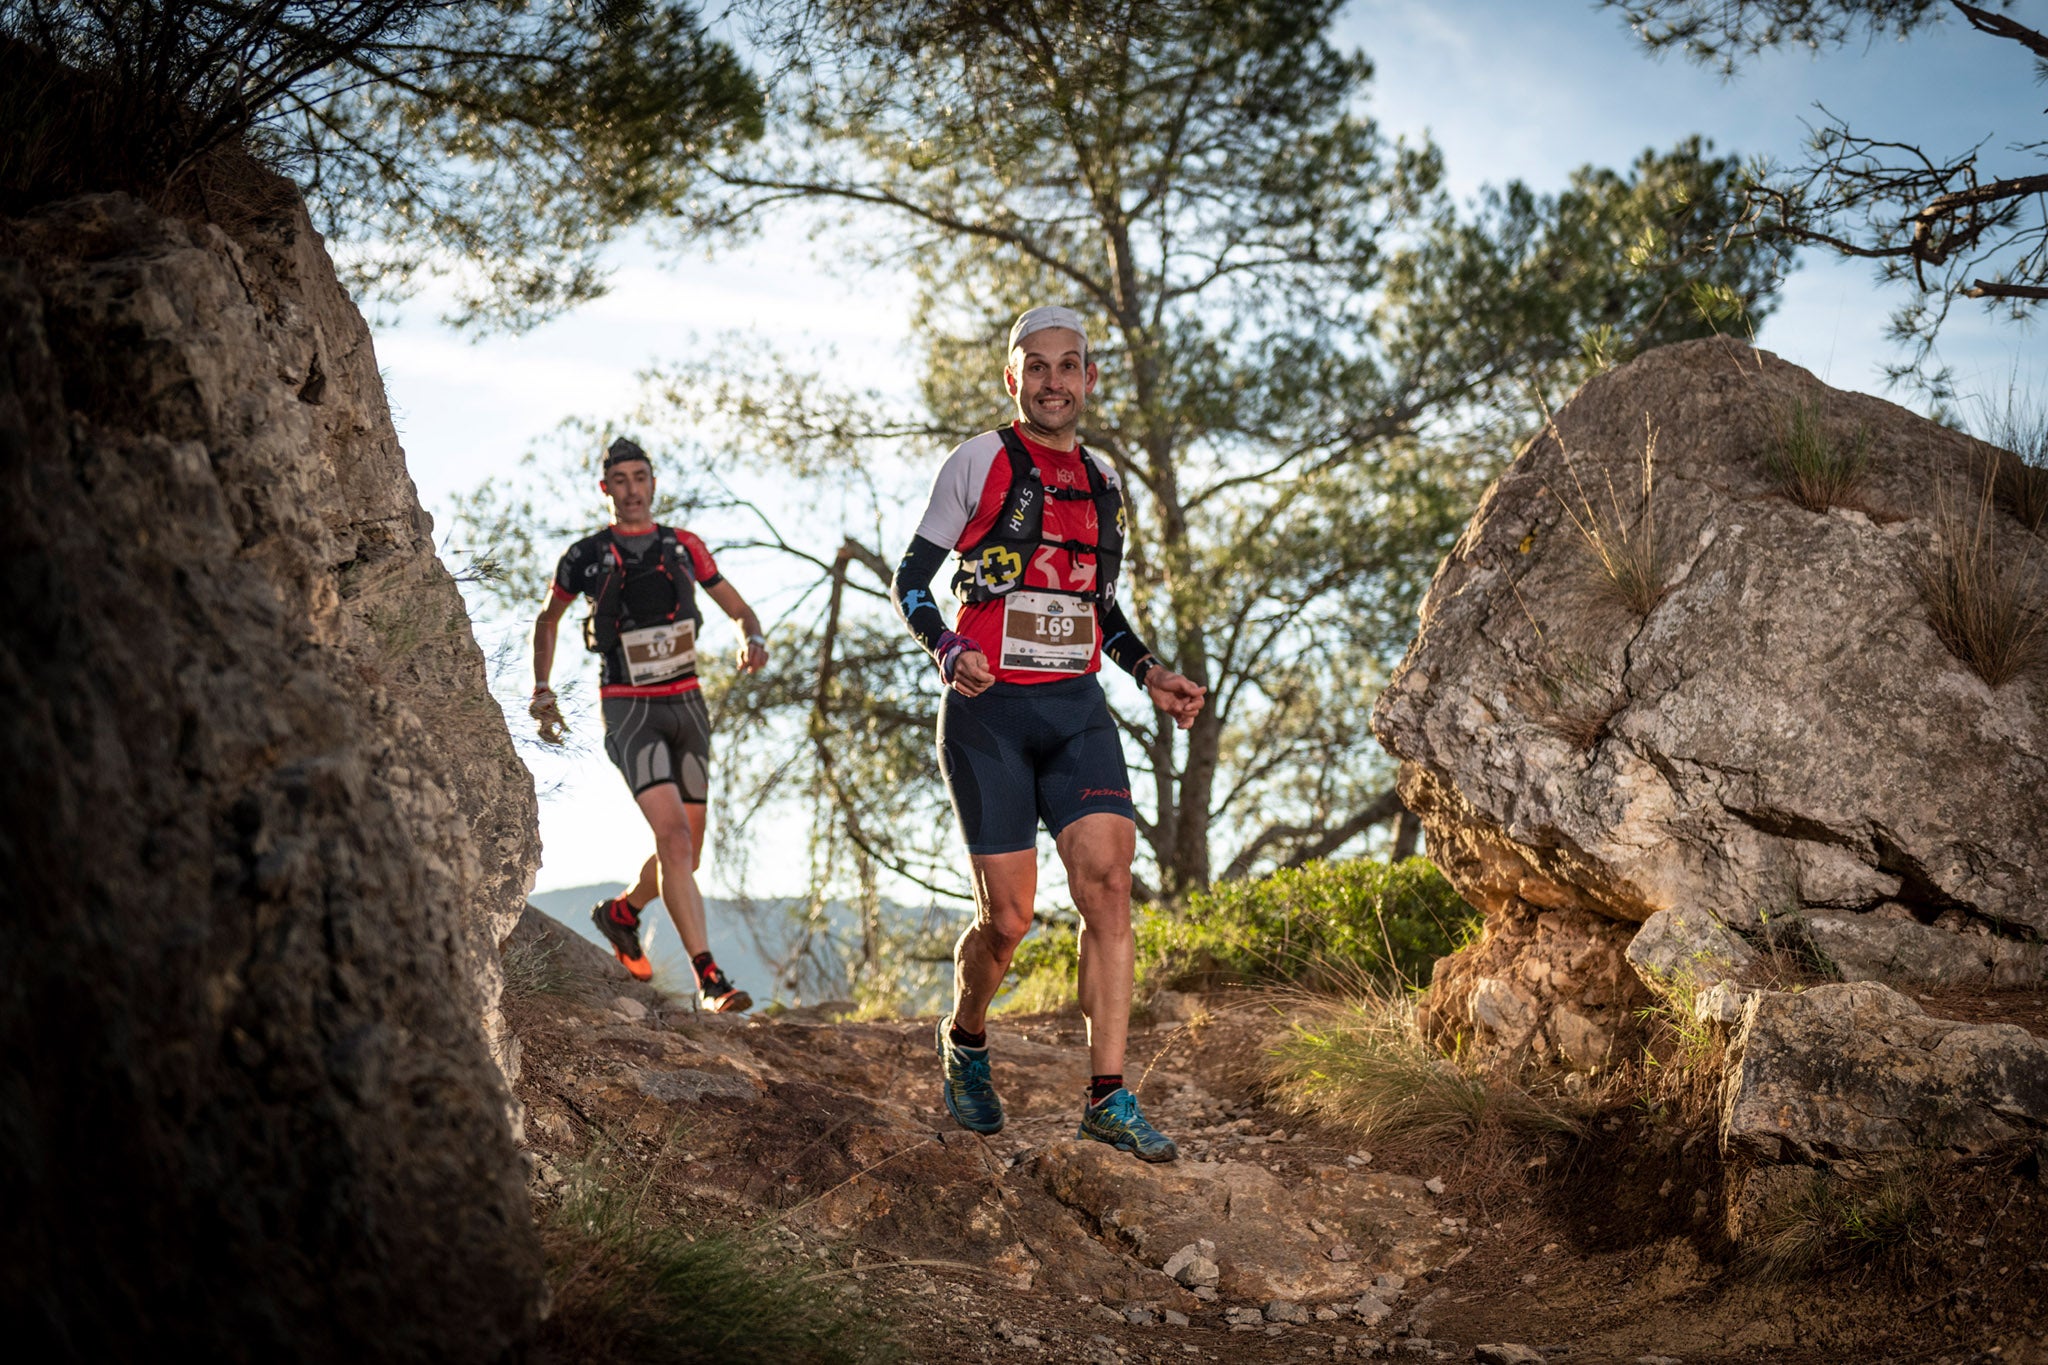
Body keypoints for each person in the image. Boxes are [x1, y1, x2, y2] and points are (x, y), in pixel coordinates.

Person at [890, 306, 1206, 1161]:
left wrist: (1150, 673)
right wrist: (948, 646)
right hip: (987, 715)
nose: (1054, 381)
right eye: (1038, 367)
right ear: (1013, 378)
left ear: (1089, 379)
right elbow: (911, 579)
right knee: (1011, 919)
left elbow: (1095, 607)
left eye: (1070, 366)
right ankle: (966, 1035)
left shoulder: (1104, 485)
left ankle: (1108, 1094)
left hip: (1075, 713)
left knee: (1107, 884)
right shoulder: (981, 461)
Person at [530, 437, 766, 1013]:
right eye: (622, 480)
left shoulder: (684, 547)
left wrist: (752, 638)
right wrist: (542, 688)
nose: (632, 489)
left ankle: (624, 912)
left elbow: (739, 608)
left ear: (653, 485)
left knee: (687, 855)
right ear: (605, 488)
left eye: (642, 478)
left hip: (687, 705)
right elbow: (549, 617)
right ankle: (709, 979)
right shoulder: (585, 555)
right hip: (629, 707)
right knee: (675, 841)